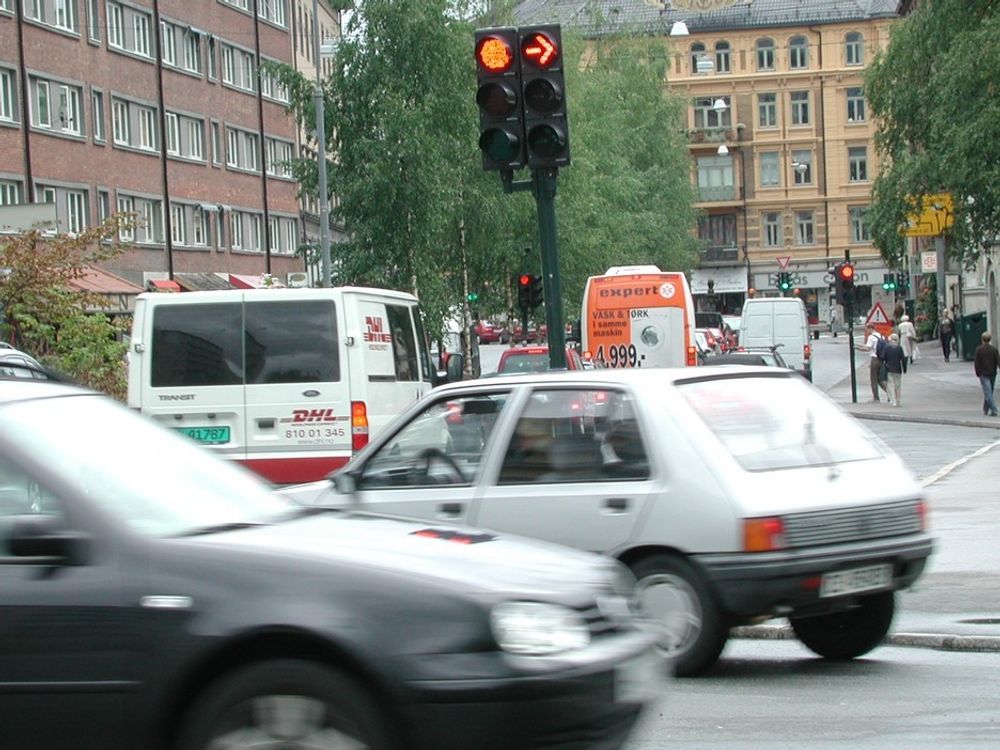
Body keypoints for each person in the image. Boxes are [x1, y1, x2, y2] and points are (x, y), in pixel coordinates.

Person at [855, 323, 887, 402]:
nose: (866, 331)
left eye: (866, 329)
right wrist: (858, 345)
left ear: (870, 328)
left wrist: (857, 348)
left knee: (874, 379)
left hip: (874, 359)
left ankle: (876, 398)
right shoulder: (881, 336)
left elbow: (867, 348)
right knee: (881, 379)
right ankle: (890, 394)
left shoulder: (871, 337)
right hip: (882, 359)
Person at [973, 331, 1000, 417]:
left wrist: (977, 372)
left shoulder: (979, 350)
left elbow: (977, 362)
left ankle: (994, 410)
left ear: (982, 339)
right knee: (989, 391)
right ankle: (986, 408)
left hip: (983, 374)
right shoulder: (994, 350)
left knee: (988, 392)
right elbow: (998, 361)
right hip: (992, 373)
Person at [881, 333, 906, 407]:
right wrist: (904, 369)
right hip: (898, 369)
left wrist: (885, 361)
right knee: (897, 385)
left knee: (890, 385)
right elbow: (903, 359)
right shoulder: (899, 347)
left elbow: (882, 357)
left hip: (889, 368)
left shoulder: (887, 347)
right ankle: (899, 400)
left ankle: (893, 400)